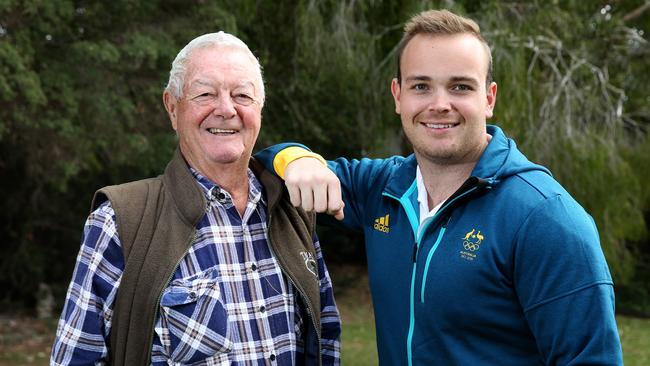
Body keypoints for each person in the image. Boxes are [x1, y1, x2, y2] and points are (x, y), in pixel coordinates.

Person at [256, 9, 623, 366]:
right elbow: (269, 159)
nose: (439, 104)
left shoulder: (545, 217)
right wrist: (300, 160)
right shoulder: (382, 188)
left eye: (460, 86)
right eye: (421, 86)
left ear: (489, 98)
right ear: (398, 96)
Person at [51, 31, 341, 366]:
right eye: (205, 94)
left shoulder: (292, 209)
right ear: (172, 108)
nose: (226, 109)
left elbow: (326, 341)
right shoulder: (119, 222)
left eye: (242, 95)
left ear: (259, 109)